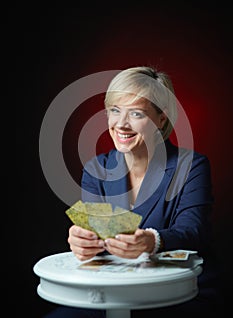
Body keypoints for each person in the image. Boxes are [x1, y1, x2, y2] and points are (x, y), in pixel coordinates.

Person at [44, 66, 223, 317]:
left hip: (176, 294)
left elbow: (193, 231)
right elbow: (97, 236)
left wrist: (152, 241)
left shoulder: (191, 165)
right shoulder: (97, 169)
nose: (121, 124)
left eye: (136, 113)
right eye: (114, 111)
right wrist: (84, 242)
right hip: (114, 291)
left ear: (162, 119)